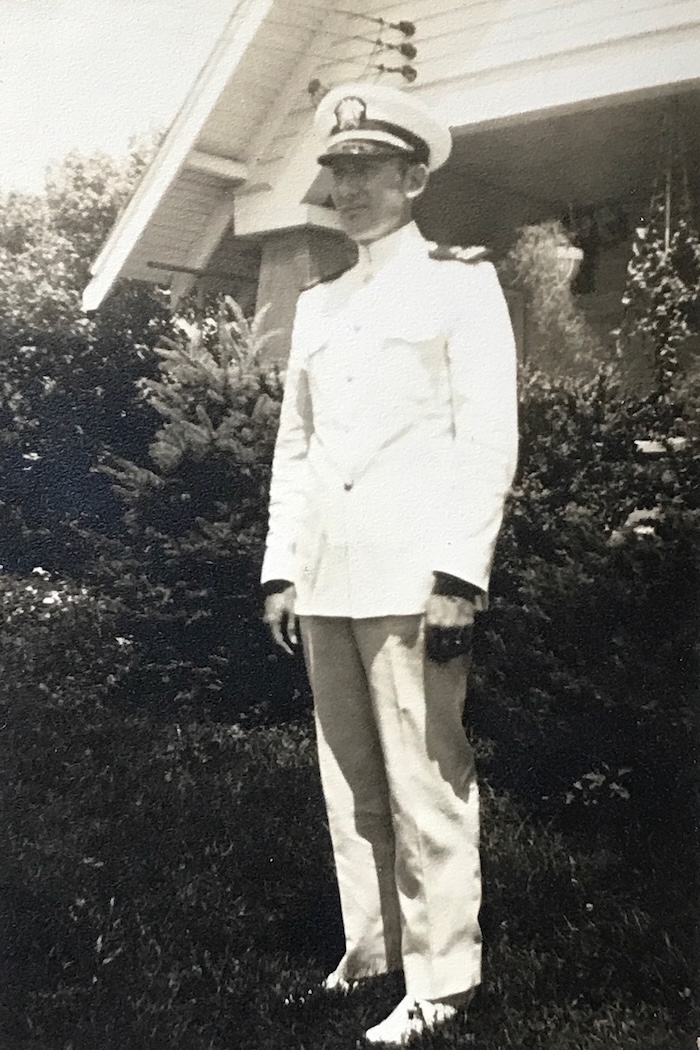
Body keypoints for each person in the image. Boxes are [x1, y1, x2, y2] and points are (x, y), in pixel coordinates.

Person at [261, 80, 518, 1046]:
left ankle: (444, 983)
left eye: (368, 170)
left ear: (414, 179)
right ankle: (373, 951)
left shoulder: (461, 284)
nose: (349, 188)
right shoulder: (321, 303)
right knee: (350, 778)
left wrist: (461, 575)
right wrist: (282, 567)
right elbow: (298, 445)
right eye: (339, 171)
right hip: (329, 573)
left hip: (415, 576)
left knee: (426, 780)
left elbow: (486, 439)